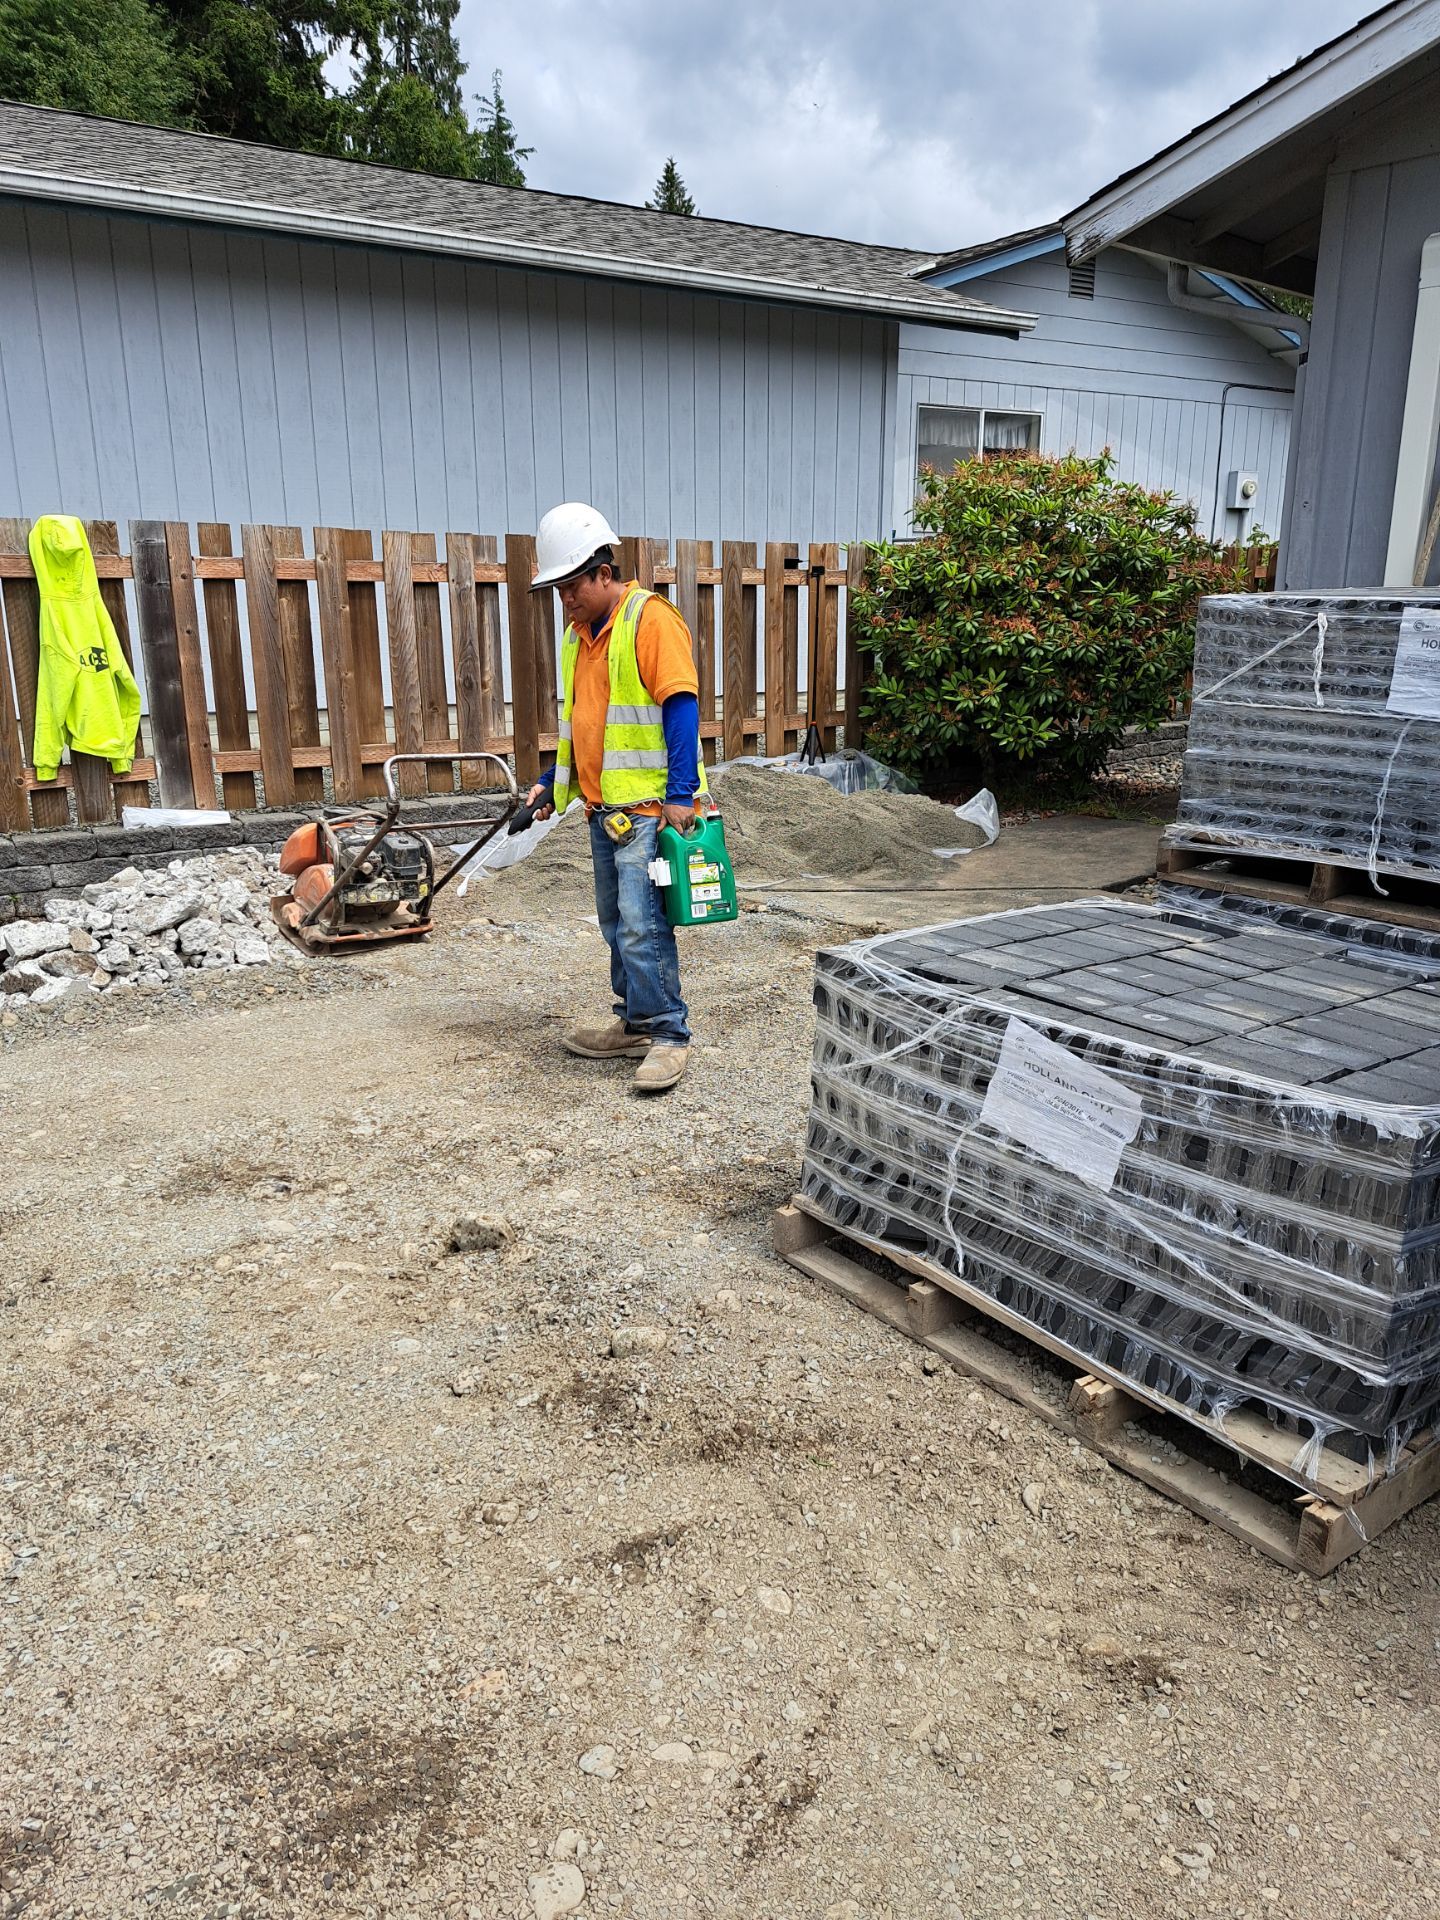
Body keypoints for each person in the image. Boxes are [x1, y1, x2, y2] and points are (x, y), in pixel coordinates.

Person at [525, 502, 708, 1094]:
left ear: (604, 572)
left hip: (651, 810)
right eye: (556, 589)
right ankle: (632, 1022)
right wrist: (552, 789)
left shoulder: (650, 620)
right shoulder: (579, 638)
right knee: (615, 922)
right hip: (604, 811)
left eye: (571, 585)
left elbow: (680, 705)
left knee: (643, 924)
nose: (565, 599)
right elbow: (581, 724)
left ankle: (669, 1034)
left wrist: (681, 794)